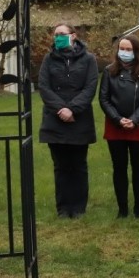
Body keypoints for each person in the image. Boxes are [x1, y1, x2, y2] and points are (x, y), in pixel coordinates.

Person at [38, 22, 99, 218]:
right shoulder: (48, 59)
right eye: (56, 34)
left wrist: (72, 109)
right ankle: (63, 208)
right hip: (54, 121)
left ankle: (79, 208)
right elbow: (44, 87)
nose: (58, 37)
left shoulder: (89, 59)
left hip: (79, 120)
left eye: (62, 34)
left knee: (79, 166)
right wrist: (61, 109)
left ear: (73, 36)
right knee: (61, 166)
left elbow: (90, 87)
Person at [99, 35, 139, 218]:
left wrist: (134, 119)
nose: (124, 52)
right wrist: (118, 119)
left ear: (136, 51)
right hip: (115, 125)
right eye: (121, 49)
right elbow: (104, 98)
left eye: (128, 49)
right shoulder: (109, 71)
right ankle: (122, 209)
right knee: (119, 167)